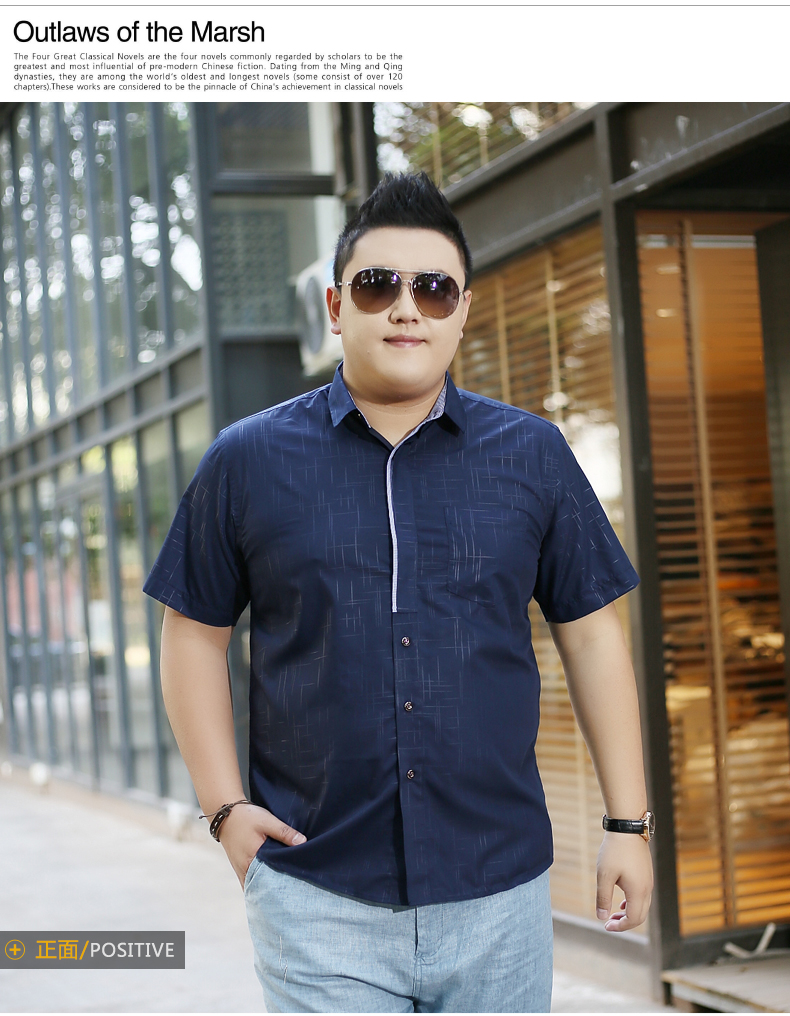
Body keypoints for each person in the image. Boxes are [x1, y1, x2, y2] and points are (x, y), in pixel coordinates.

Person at [143, 171, 654, 1014]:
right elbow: (192, 631)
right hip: (317, 895)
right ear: (337, 306)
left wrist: (628, 825)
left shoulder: (532, 456)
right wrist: (224, 808)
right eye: (379, 286)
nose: (407, 309)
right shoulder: (246, 459)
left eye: (434, 289)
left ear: (463, 310)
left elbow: (593, 635)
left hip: (498, 892)